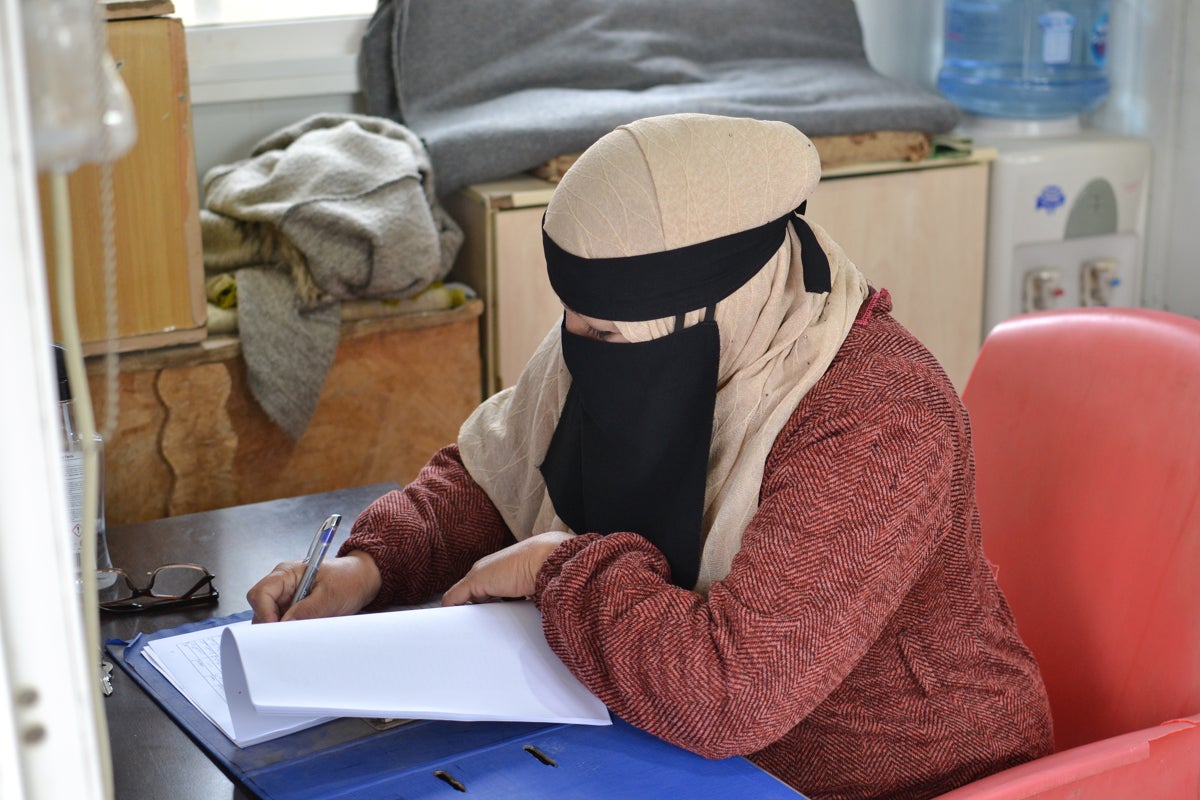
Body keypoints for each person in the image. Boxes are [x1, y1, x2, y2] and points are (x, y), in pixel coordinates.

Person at [247, 113, 1054, 800]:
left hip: (895, 777)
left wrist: (557, 568)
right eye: (576, 323)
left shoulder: (876, 417)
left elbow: (731, 694)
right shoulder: (635, 323)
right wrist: (370, 568)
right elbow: (495, 476)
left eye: (604, 334)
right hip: (664, 747)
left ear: (718, 302)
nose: (580, 350)